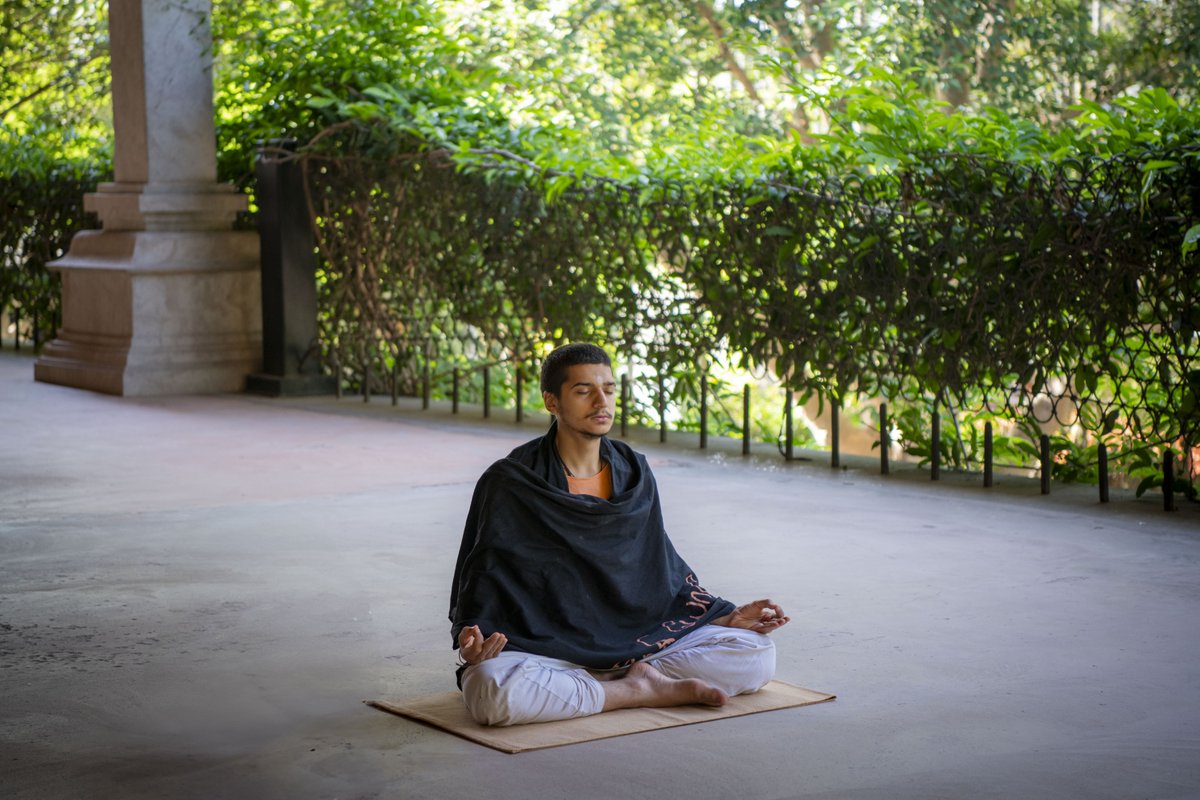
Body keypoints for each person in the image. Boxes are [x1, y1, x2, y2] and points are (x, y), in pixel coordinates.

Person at [449, 343, 789, 726]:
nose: (601, 402)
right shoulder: (512, 481)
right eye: (584, 391)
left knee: (757, 654)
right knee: (492, 691)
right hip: (547, 647)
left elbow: (658, 570)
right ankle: (634, 689)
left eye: (609, 390)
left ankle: (597, 685)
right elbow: (486, 578)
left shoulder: (633, 472)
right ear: (552, 401)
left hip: (636, 642)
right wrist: (473, 646)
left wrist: (724, 618)